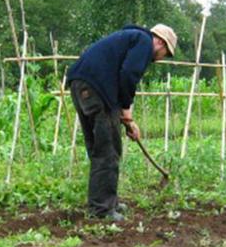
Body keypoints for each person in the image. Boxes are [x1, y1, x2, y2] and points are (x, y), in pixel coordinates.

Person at [67, 24, 177, 221]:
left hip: (80, 84)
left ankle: (106, 202)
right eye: (164, 53)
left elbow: (117, 76)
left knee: (99, 147)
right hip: (97, 88)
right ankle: (102, 210)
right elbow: (128, 74)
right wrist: (127, 111)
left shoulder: (129, 38)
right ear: (160, 41)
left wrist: (126, 118)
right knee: (108, 149)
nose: (160, 58)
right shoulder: (143, 41)